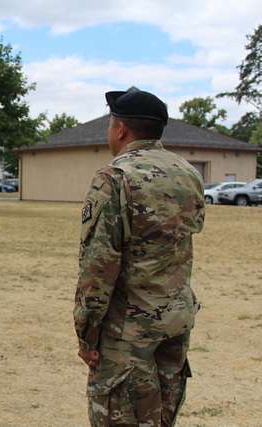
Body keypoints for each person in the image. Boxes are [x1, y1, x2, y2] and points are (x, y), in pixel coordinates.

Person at [74, 88, 205, 427]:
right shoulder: (188, 174)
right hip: (175, 322)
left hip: (128, 331)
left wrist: (87, 334)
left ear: (120, 129)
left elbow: (99, 266)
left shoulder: (115, 177)